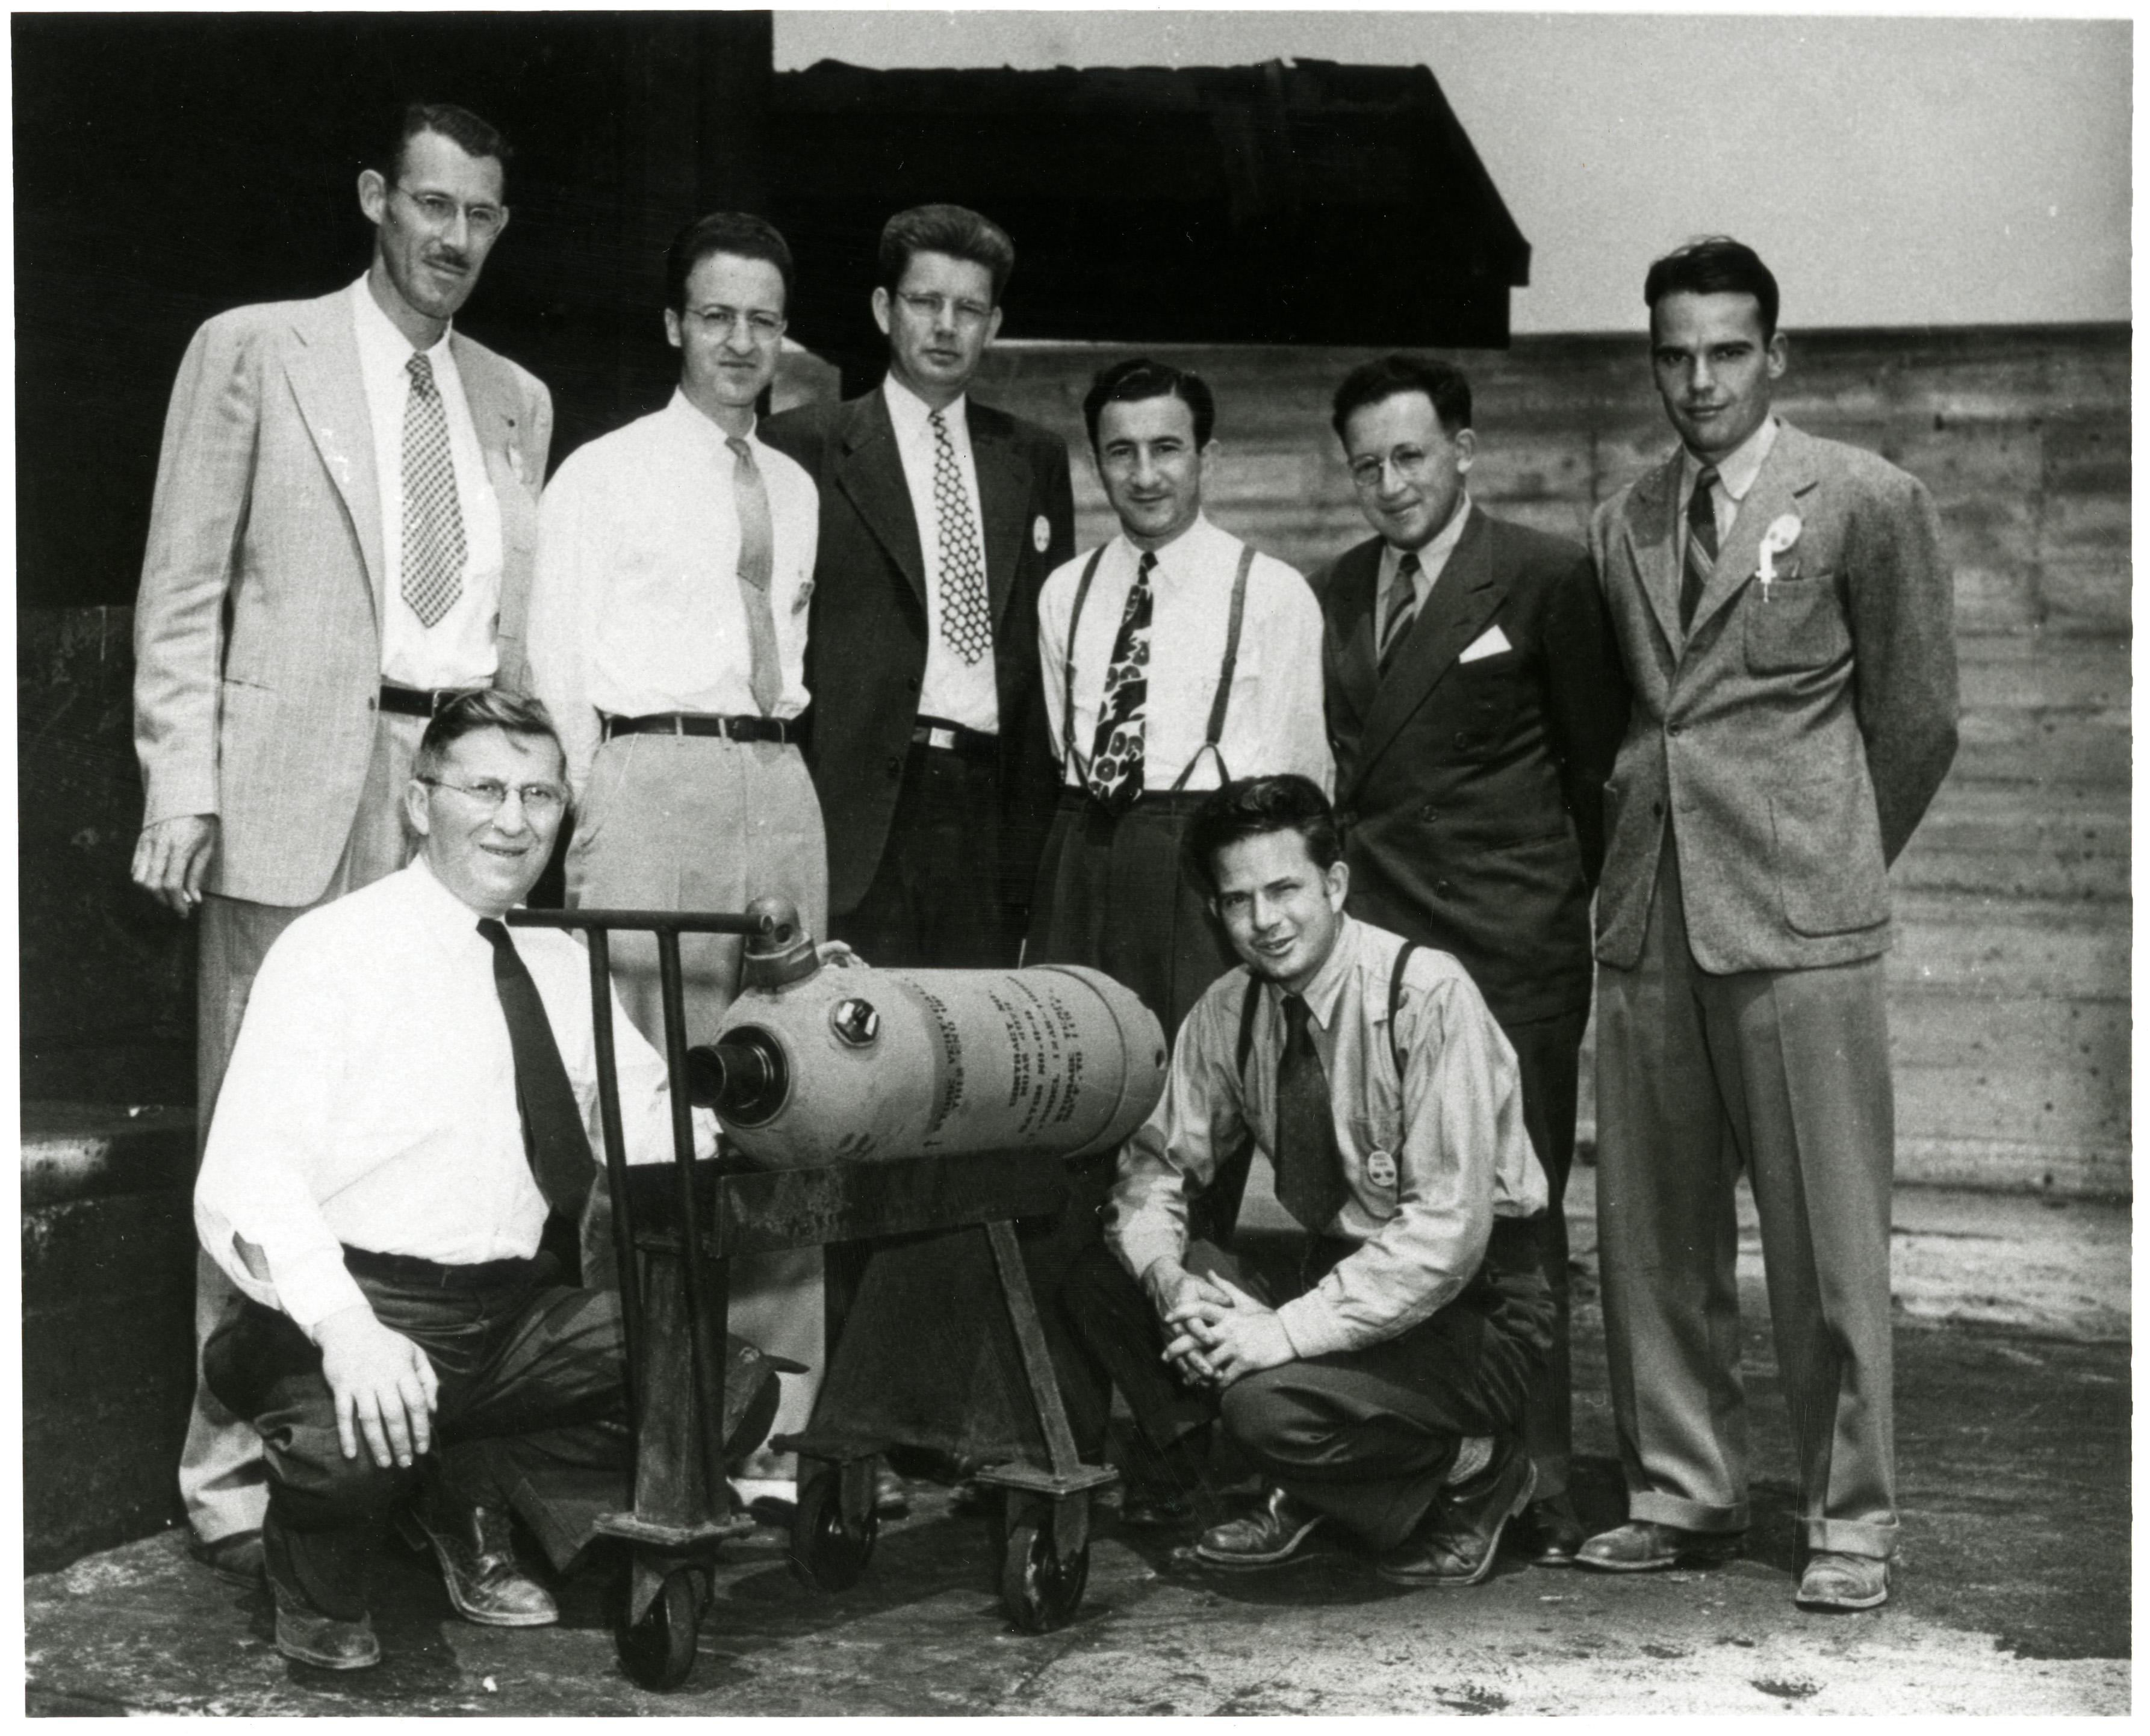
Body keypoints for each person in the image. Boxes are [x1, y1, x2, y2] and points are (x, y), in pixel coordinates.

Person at [130, 101, 552, 1584]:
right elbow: (182, 590)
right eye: (432, 206)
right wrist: (182, 782)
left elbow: (514, 632)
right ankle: (239, 1470)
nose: (453, 239)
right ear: (378, 197)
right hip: (294, 778)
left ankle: (408, 1471)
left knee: (434, 1119)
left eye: (482, 217)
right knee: (265, 1121)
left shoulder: (516, 398)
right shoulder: (256, 348)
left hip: (449, 785)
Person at [193, 691, 780, 1669]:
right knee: (348, 1448)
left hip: (510, 1317)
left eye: (542, 793)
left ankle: (468, 1480)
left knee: (725, 1386)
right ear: (420, 803)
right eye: (485, 788)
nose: (515, 819)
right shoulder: (334, 949)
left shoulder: (558, 960)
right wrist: (348, 1329)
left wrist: (786, 1093)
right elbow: (247, 1173)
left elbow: (652, 1122)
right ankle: (314, 1567)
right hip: (357, 1303)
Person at [1581, 237, 1957, 1611]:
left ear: (1775, 355)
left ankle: (1849, 1513)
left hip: (1801, 917)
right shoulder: (1621, 519)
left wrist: (1837, 858)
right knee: (1654, 1230)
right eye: (1674, 355)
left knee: (1826, 1238)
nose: (1700, 380)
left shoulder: (1863, 497)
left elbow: (1919, 718)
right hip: (1651, 911)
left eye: (1727, 351)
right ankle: (1679, 1491)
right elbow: (1642, 716)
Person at [1059, 776, 1552, 1585]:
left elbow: (1444, 1238)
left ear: (1334, 884)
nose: (1264, 921)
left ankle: (1475, 1471)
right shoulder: (1228, 1010)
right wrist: (1167, 1284)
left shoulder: (1425, 996)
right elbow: (1154, 1167)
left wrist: (1277, 1335)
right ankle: (1310, 1483)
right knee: (1102, 1279)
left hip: (1475, 1306)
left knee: (1266, 1408)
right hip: (1338, 1271)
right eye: (1237, 900)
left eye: (1284, 889)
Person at [527, 211, 830, 1471]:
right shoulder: (604, 469)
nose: (742, 341)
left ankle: (773, 1418)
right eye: (718, 315)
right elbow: (551, 659)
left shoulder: (799, 487)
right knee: (649, 1101)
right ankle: (633, 1407)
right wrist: (596, 808)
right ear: (673, 324)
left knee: (787, 1093)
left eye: (764, 318)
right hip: (649, 782)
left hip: (775, 780)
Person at [1315, 355, 1630, 1566]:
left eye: (1411, 456)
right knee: (1392, 1210)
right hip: (1382, 958)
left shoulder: (1547, 576)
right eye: (1367, 465)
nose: (1391, 483)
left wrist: (1549, 915)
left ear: (1464, 448)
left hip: (1509, 952)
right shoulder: (1338, 587)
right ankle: (1407, 1466)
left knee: (1515, 1212)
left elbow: (1597, 769)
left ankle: (1536, 1478)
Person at [761, 202, 1075, 971]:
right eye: (925, 302)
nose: (945, 326)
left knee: (977, 1059)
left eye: (968, 309)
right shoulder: (803, 444)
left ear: (993, 323)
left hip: (986, 815)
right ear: (883, 309)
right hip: (857, 812)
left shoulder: (1032, 458)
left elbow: (1045, 660)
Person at [1032, 358, 1331, 1040]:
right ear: (1095, 462)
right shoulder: (1064, 592)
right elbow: (1060, 742)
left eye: (1166, 449)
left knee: (1203, 1078)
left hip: (1204, 861)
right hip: (1083, 850)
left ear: (1207, 456)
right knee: (1074, 1067)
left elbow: (1301, 775)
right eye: (1121, 452)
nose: (1144, 475)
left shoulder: (1270, 591)